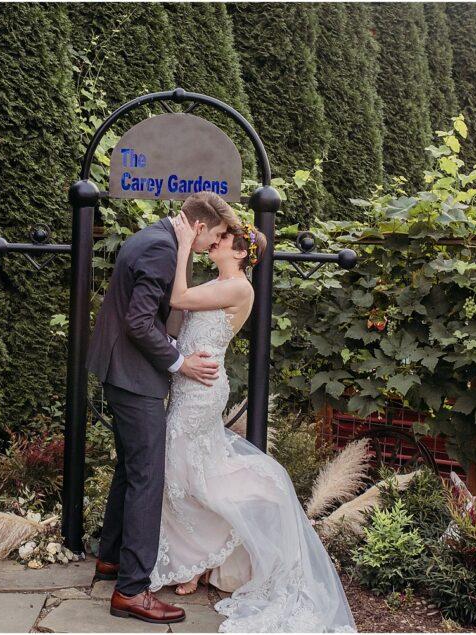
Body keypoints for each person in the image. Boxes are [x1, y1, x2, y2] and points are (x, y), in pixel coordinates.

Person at [147, 211, 357, 633]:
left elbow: (179, 300)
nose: (217, 242)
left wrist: (185, 244)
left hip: (202, 390)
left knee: (184, 469)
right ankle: (197, 559)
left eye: (224, 239)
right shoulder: (217, 283)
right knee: (183, 469)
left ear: (241, 252)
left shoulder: (239, 287)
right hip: (189, 382)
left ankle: (195, 561)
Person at [85, 191, 238, 624]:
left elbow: (146, 315)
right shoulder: (160, 247)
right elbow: (138, 321)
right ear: (201, 226)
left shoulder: (158, 238)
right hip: (134, 378)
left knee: (131, 469)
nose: (215, 247)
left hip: (123, 372)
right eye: (218, 237)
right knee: (149, 476)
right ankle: (132, 591)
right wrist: (180, 362)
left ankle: (112, 557)